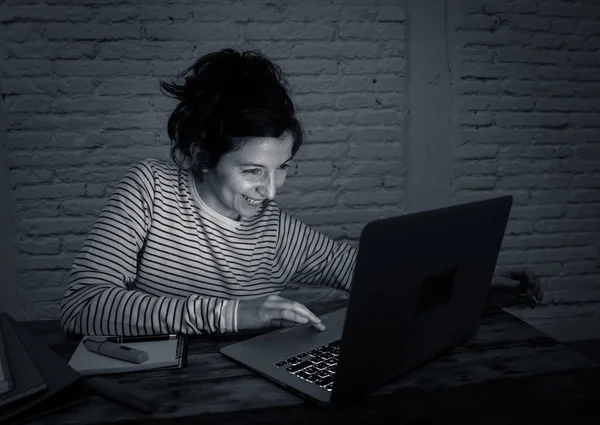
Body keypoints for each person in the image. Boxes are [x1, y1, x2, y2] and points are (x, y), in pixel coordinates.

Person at [60, 48, 543, 337]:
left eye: (283, 168)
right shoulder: (150, 190)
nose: (270, 192)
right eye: (252, 171)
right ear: (200, 156)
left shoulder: (276, 232)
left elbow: (380, 277)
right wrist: (232, 314)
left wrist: (476, 286)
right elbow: (83, 306)